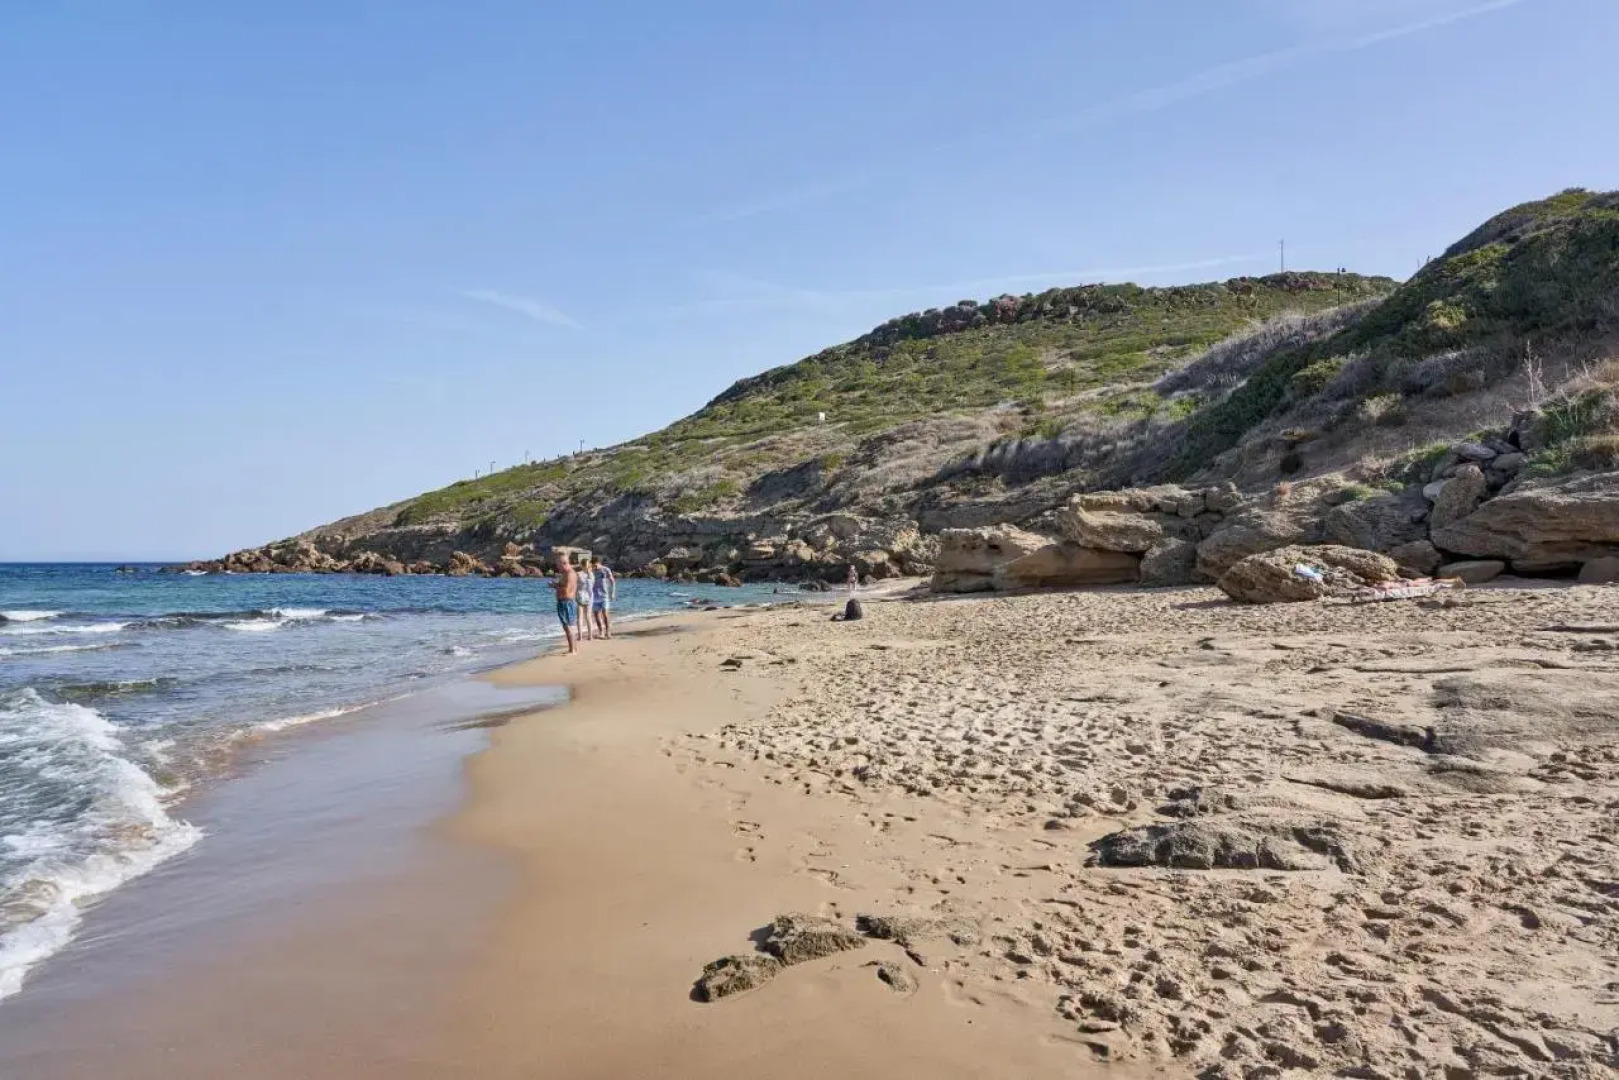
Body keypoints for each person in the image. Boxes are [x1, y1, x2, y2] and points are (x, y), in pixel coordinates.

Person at [551, 551, 579, 655]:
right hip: (565, 602)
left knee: (569, 626)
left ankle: (573, 651)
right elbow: (564, 587)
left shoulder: (569, 574)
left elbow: (566, 591)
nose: (557, 567)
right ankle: (573, 649)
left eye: (558, 565)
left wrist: (555, 586)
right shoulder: (568, 573)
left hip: (567, 602)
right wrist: (557, 584)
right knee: (568, 626)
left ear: (564, 563)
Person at [590, 557, 617, 639]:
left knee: (605, 614)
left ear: (599, 562)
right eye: (593, 565)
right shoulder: (591, 571)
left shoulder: (606, 569)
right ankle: (601, 632)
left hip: (604, 595)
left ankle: (608, 632)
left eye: (595, 564)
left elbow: (612, 581)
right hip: (594, 596)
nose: (595, 566)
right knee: (596, 615)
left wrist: (613, 593)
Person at [575, 554, 594, 642]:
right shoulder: (589, 574)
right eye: (587, 564)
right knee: (585, 616)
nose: (588, 566)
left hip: (583, 594)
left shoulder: (579, 574)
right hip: (586, 595)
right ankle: (587, 636)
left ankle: (582, 636)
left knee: (583, 616)